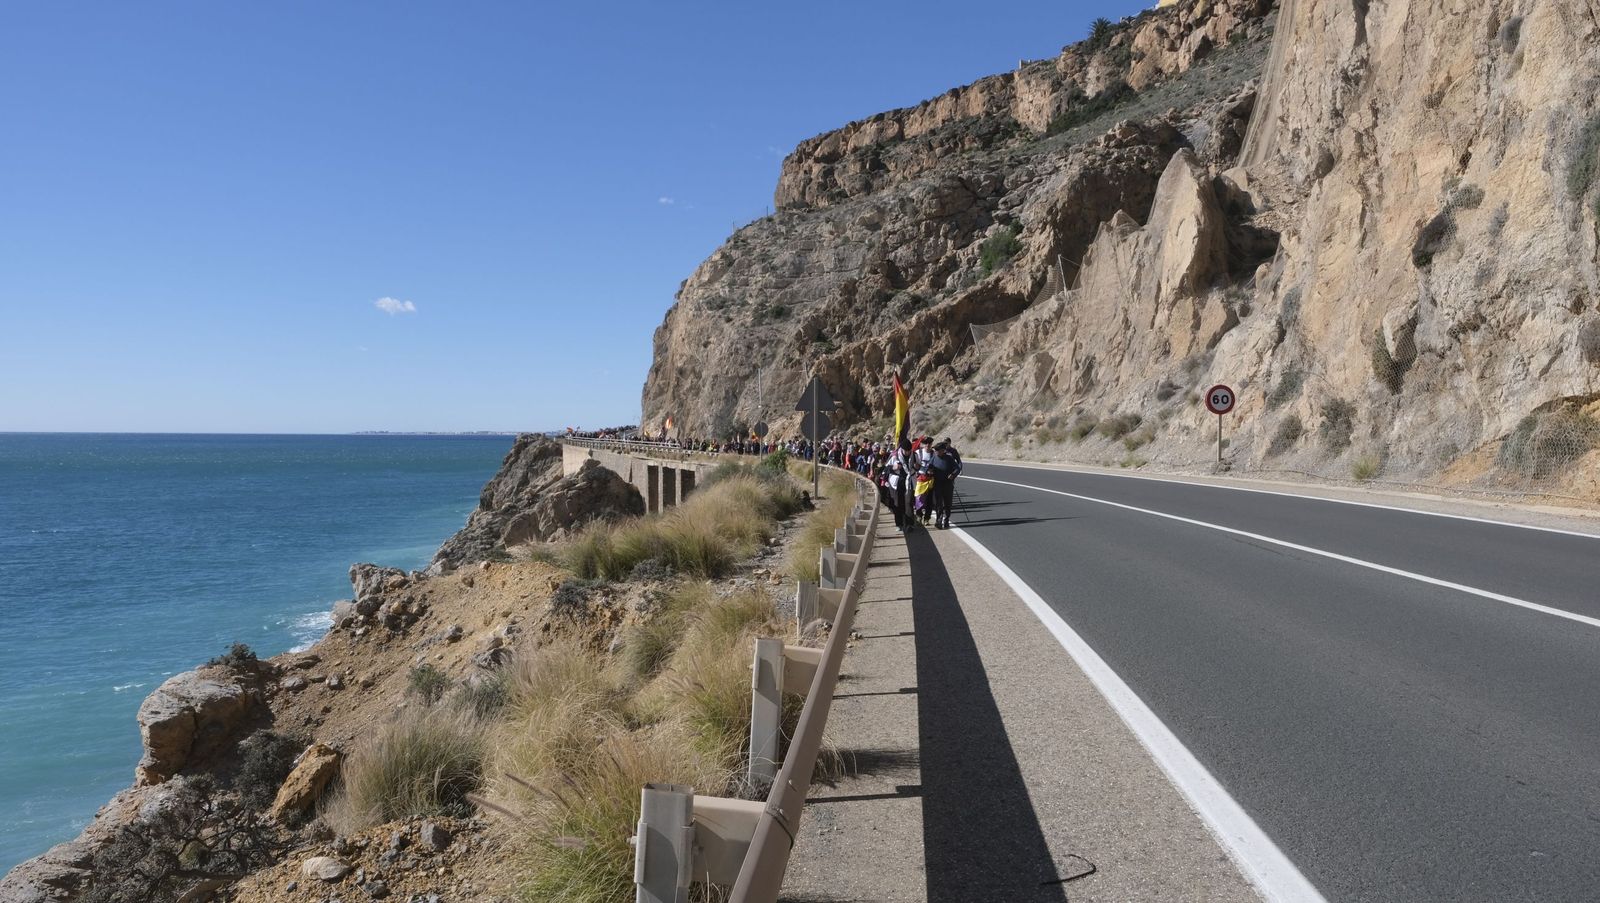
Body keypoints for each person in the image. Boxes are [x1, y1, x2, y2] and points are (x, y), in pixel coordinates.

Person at [929, 440, 959, 528]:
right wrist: (929, 471)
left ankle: (946, 520)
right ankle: (939, 520)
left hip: (948, 484)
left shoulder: (949, 458)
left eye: (938, 450)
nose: (936, 452)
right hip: (937, 484)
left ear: (943, 450)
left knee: (948, 504)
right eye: (936, 450)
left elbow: (957, 469)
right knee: (938, 504)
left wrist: (953, 475)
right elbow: (929, 467)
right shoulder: (934, 457)